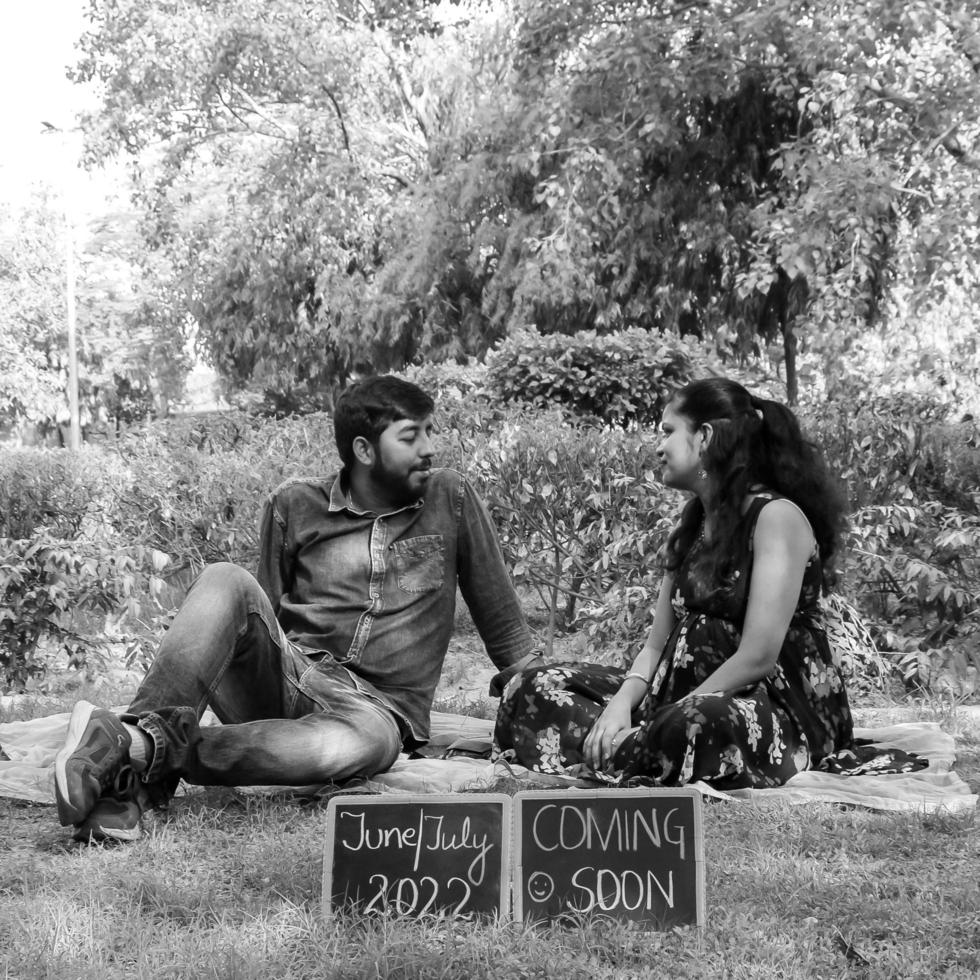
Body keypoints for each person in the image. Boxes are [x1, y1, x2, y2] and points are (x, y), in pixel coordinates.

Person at [55, 375, 539, 841]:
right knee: (226, 578)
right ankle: (133, 759)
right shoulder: (295, 504)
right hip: (291, 677)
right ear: (364, 450)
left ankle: (130, 752)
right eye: (411, 437)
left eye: (429, 433)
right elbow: (252, 616)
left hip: (376, 711)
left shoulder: (448, 497)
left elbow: (500, 617)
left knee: (367, 745)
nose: (429, 449)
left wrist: (544, 693)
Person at [494, 378, 924, 787]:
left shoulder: (776, 519)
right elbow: (653, 646)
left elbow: (757, 657)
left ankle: (626, 749)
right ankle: (632, 746)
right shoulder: (694, 522)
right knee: (535, 685)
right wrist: (622, 704)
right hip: (672, 699)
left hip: (765, 706)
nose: (658, 447)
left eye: (667, 432)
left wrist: (669, 715)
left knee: (694, 723)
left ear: (705, 437)